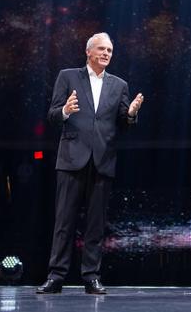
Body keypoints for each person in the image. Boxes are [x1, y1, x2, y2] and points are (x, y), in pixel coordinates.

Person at [37, 32, 144, 295]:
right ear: (88, 51)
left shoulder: (119, 85)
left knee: (96, 223)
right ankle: (56, 276)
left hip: (102, 160)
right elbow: (52, 115)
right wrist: (65, 111)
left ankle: (91, 276)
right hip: (72, 158)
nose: (107, 53)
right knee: (64, 221)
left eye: (110, 50)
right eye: (102, 49)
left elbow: (122, 122)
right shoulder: (68, 76)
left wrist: (131, 114)